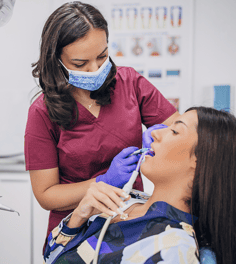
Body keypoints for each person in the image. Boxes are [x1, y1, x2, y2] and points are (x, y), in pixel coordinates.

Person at [25, 1, 179, 245]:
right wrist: (104, 181)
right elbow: (46, 195)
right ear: (56, 59)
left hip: (129, 220)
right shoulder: (42, 112)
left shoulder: (130, 84)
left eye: (102, 56)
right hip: (75, 232)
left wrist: (165, 136)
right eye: (80, 63)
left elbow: (182, 133)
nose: (95, 69)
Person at [43, 107, 236, 264]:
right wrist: (79, 215)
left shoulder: (174, 250)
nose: (154, 133)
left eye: (174, 131)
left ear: (199, 163)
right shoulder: (125, 200)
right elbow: (50, 261)